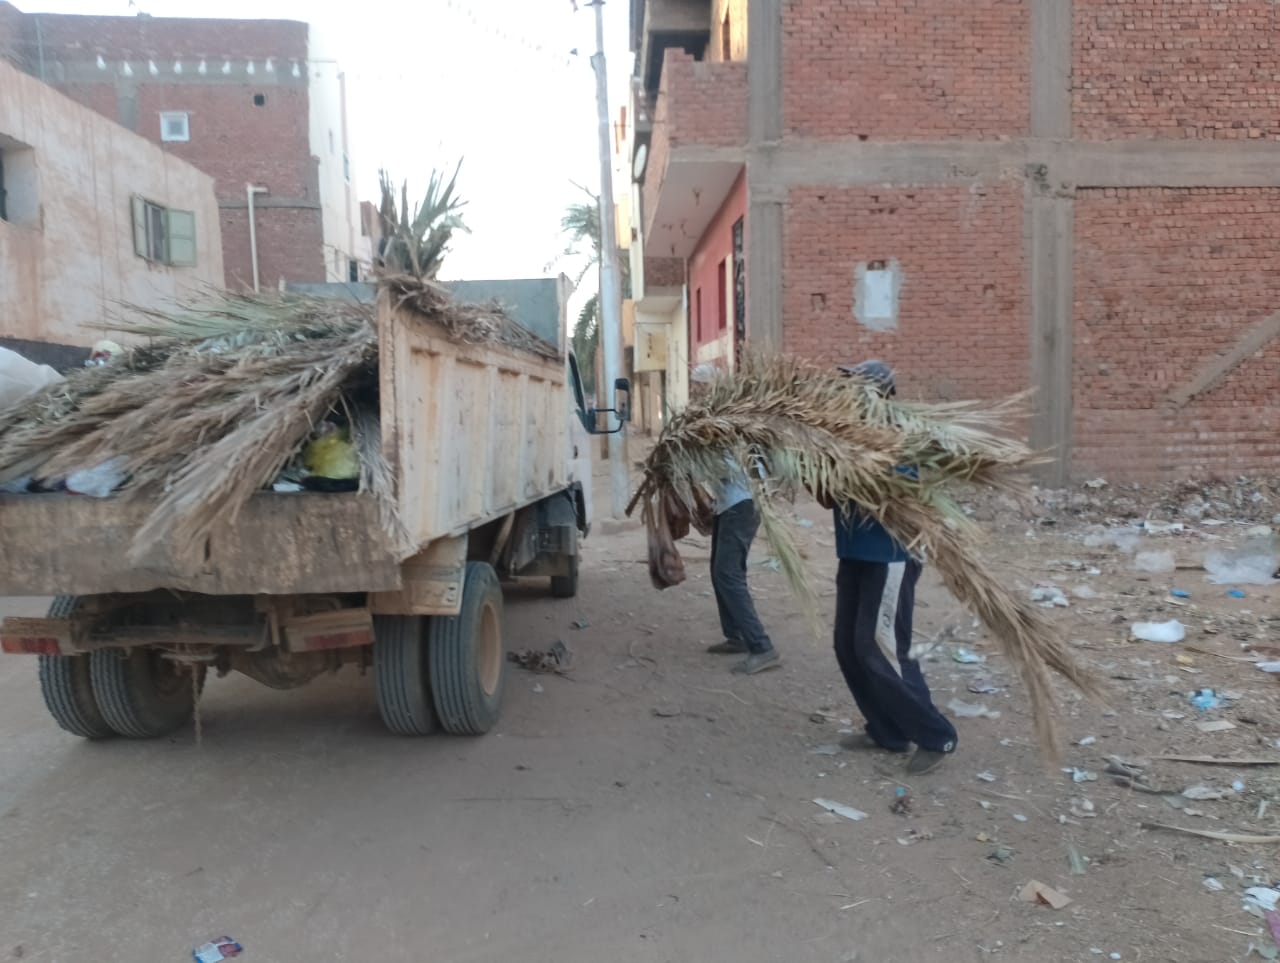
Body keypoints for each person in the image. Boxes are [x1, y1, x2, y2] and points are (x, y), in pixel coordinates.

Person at [824, 360, 956, 775]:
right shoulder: (845, 434)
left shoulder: (897, 434)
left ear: (878, 393)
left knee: (879, 647)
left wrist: (844, 466)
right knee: (847, 644)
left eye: (857, 386)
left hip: (890, 555)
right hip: (855, 553)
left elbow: (892, 491)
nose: (848, 392)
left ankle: (936, 735)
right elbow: (829, 497)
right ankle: (888, 731)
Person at [690, 364, 780, 675]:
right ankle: (736, 636)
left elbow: (719, 466)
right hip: (730, 503)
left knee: (728, 574)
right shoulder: (715, 417)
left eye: (698, 386)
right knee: (722, 571)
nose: (694, 392)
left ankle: (762, 646)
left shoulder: (723, 420)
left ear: (711, 388)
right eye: (693, 386)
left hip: (742, 503)